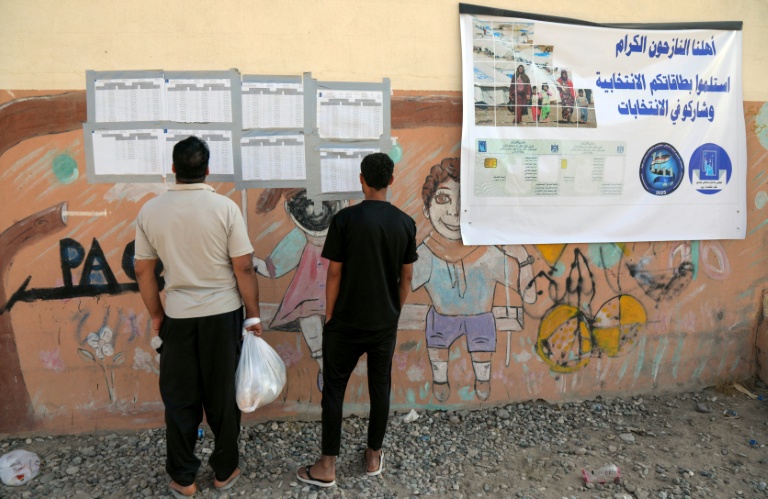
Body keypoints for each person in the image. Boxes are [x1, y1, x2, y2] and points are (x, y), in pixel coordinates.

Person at [134, 136, 262, 499]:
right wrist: (252, 317)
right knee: (223, 397)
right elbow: (244, 267)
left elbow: (144, 271)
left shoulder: (151, 211)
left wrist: (157, 315)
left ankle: (184, 478)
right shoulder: (225, 209)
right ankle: (224, 471)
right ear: (207, 169)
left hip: (178, 317)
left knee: (179, 399)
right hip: (223, 317)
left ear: (174, 169)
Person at [296, 152, 417, 488]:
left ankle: (327, 466)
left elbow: (334, 273)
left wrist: (330, 313)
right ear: (391, 181)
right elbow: (406, 278)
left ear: (360, 179)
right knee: (381, 388)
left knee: (334, 390)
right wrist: (395, 310)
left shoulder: (345, 220)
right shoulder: (405, 223)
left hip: (345, 322)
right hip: (383, 323)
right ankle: (373, 456)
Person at [411, 158, 537, 402]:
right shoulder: (425, 254)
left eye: (465, 201)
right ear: (427, 209)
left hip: (480, 318)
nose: (454, 211)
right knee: (437, 337)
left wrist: (522, 259)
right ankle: (439, 379)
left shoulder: (487, 254)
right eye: (442, 199)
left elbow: (528, 295)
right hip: (441, 318)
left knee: (482, 339)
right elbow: (401, 286)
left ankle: (482, 379)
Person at [252, 189, 347, 392]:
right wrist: (248, 261)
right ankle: (325, 368)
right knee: (310, 322)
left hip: (338, 299)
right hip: (308, 300)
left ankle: (332, 367)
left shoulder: (344, 233)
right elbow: (272, 268)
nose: (316, 212)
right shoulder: (299, 238)